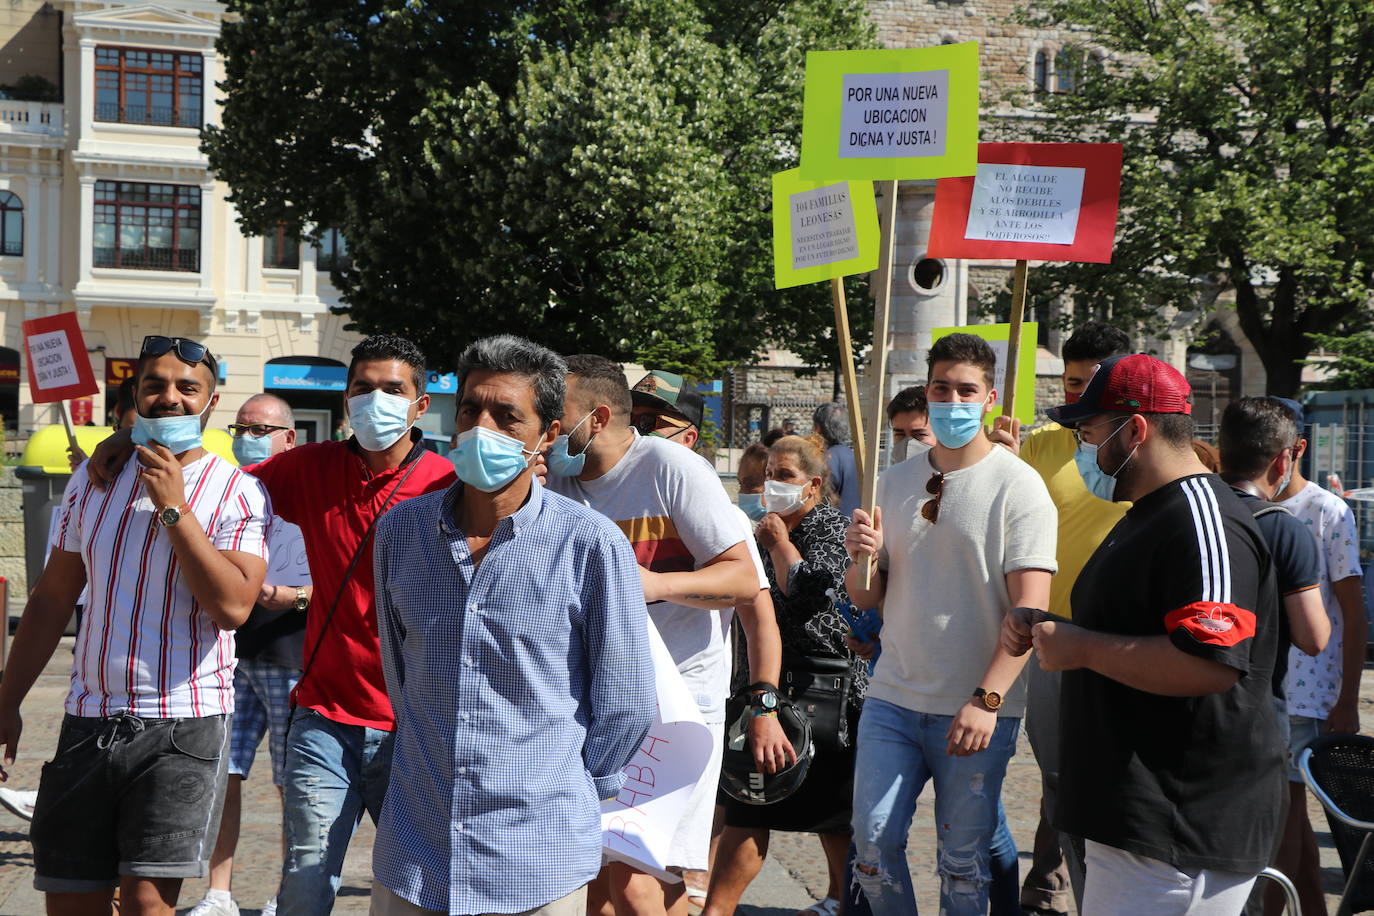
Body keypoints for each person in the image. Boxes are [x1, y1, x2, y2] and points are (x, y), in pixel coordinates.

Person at [87, 334, 457, 915]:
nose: (375, 401)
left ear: (419, 404)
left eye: (393, 390)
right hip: (326, 715)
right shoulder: (307, 468)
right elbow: (217, 481)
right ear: (344, 401)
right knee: (305, 885)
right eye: (363, 389)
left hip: (415, 722)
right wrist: (125, 439)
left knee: (418, 890)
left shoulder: (449, 484)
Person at [369, 336, 654, 915]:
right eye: (472, 409)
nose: (482, 427)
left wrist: (564, 788)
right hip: (416, 849)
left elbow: (625, 702)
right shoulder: (401, 531)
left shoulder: (590, 545)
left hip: (538, 856)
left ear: (548, 434)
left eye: (507, 416)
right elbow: (401, 675)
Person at [0, 335, 270, 916]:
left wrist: (174, 508)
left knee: (148, 904)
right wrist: (8, 700)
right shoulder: (92, 481)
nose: (169, 398)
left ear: (210, 401)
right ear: (136, 395)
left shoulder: (237, 492)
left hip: (183, 725)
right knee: (72, 902)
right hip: (88, 719)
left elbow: (232, 608)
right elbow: (50, 600)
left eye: (186, 388)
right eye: (155, 385)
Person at [1005, 354, 1285, 915]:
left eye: (1088, 432)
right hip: (1134, 823)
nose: (1085, 448)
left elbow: (1210, 662)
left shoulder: (1205, 519)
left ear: (1135, 429)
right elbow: (1130, 623)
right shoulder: (1147, 511)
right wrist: (1051, 630)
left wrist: (1080, 646)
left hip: (1177, 828)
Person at [546, 357, 786, 916]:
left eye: (558, 416)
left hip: (677, 710)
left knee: (634, 880)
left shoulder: (673, 469)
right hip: (593, 704)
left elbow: (745, 581)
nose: (549, 431)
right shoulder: (554, 479)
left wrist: (653, 584)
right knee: (605, 885)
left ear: (598, 418)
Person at [844, 333, 1057, 916]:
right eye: (943, 387)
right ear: (928, 390)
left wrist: (987, 699)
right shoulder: (892, 481)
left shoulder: (1021, 487)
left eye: (968, 390)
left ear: (989, 398)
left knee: (963, 866)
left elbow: (1029, 613)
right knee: (871, 845)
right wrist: (856, 552)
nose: (953, 400)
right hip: (892, 695)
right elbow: (867, 593)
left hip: (974, 708)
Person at [990, 320, 1131, 915]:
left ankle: (1088, 887)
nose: (1079, 398)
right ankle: (1051, 886)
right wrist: (996, 458)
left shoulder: (1142, 451)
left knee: (1107, 781)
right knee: (1058, 777)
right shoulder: (1039, 446)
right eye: (1072, 383)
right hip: (1051, 639)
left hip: (1127, 644)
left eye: (1093, 386)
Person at [705, 435, 866, 916]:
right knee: (750, 801)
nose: (771, 485)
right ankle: (717, 908)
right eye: (765, 475)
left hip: (826, 689)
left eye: (784, 476)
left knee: (832, 815)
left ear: (813, 486)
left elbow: (818, 595)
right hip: (766, 684)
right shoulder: (756, 531)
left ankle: (842, 897)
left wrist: (779, 544)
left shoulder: (831, 530)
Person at [189, 394, 315, 916]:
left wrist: (297, 596)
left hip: (291, 658)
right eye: (241, 426)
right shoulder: (224, 486)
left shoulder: (310, 494)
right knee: (222, 774)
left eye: (260, 428)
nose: (249, 435)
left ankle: (287, 895)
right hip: (229, 658)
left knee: (295, 786)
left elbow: (338, 577)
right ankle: (218, 892)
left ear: (289, 437)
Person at [1267, 396, 1367, 916]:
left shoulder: (1328, 511)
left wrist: (1347, 699)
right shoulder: (1247, 502)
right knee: (1290, 818)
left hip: (1312, 694)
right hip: (1270, 690)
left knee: (1289, 817)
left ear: (1293, 450)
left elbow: (1351, 610)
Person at [812, 403, 860, 519]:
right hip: (856, 527)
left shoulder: (823, 460)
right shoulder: (857, 457)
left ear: (818, 428)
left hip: (830, 531)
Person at [885, 385, 934, 464]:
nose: (908, 445)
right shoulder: (889, 476)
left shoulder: (956, 475)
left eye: (918, 434)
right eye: (900, 434)